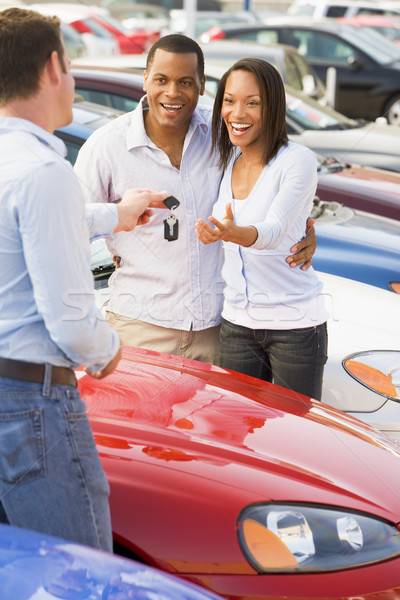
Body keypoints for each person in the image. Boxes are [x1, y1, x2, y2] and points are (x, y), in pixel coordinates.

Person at [0, 7, 168, 551]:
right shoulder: (45, 171)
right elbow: (71, 323)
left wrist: (113, 215)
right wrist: (111, 352)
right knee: (80, 569)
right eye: (70, 64)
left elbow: (22, 231)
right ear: (52, 67)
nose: (70, 77)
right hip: (32, 403)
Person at [74, 34, 317, 367]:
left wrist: (302, 231)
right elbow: (71, 226)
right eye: (161, 79)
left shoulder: (225, 131)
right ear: (145, 80)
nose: (172, 92)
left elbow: (275, 176)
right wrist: (117, 219)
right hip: (139, 327)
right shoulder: (106, 147)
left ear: (203, 85)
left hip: (219, 331)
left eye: (185, 82)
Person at [195, 58, 328, 400]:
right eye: (229, 100)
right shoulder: (226, 158)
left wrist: (230, 232)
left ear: (273, 107)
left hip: (294, 327)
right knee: (235, 434)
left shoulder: (296, 159)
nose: (237, 113)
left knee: (295, 438)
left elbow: (275, 233)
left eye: (252, 103)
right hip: (236, 323)